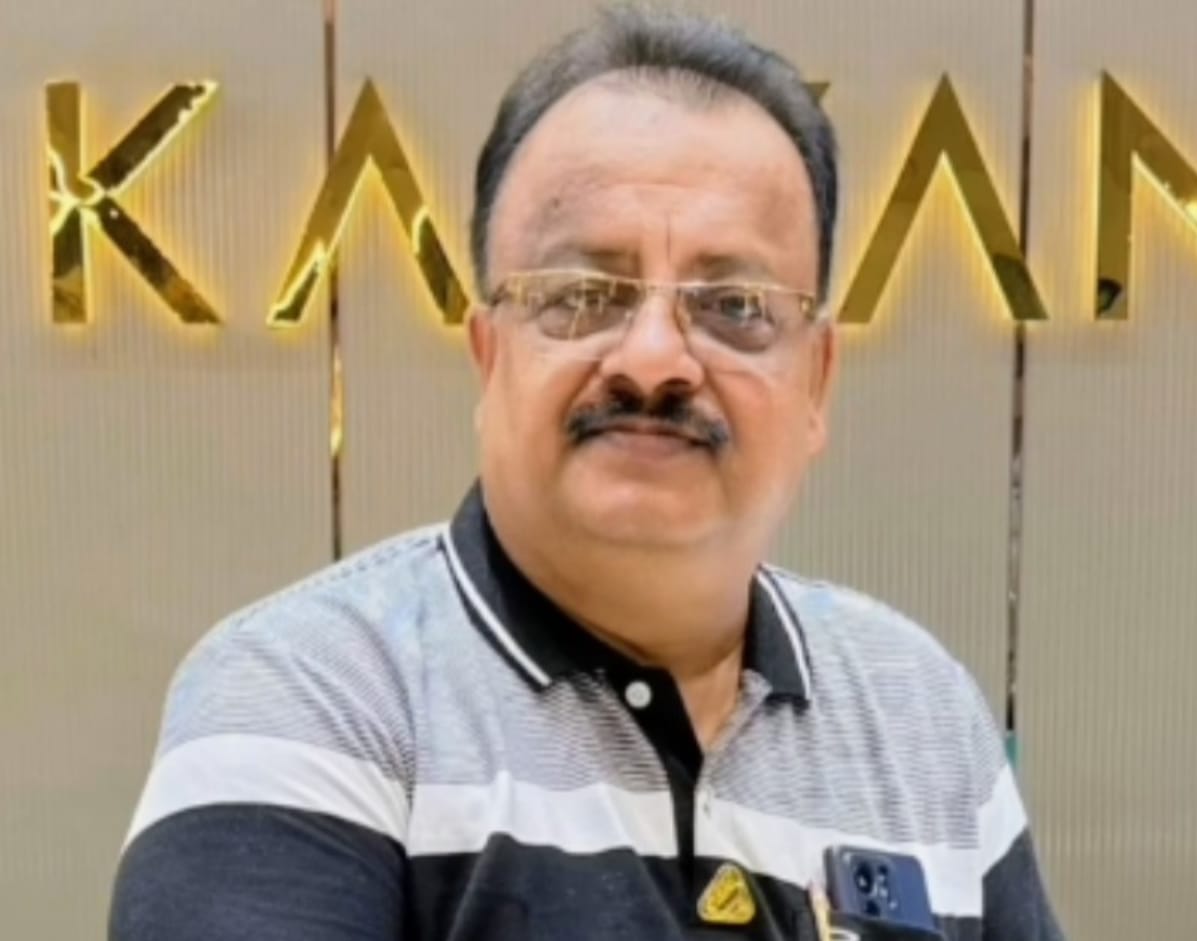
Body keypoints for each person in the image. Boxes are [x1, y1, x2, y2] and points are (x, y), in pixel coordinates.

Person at [110, 7, 1063, 940]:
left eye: (734, 305)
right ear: (489, 355)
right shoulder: (309, 694)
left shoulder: (921, 715)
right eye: (582, 295)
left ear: (816, 380)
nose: (654, 361)